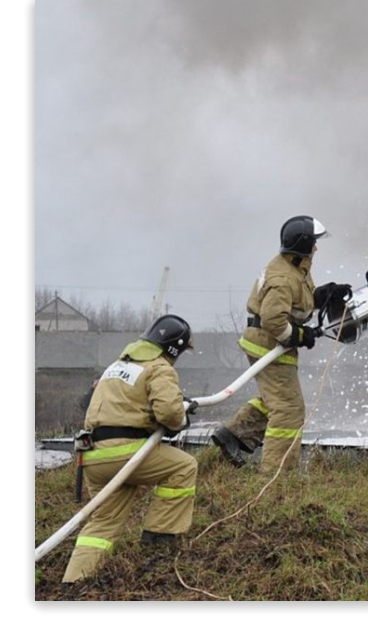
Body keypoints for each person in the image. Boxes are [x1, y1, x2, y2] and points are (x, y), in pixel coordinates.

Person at [62, 315, 198, 583]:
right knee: (184, 466)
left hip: (93, 456)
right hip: (126, 453)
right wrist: (181, 417)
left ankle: (74, 582)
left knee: (102, 522)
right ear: (173, 347)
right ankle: (159, 538)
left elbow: (125, 402)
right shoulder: (160, 367)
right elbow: (170, 415)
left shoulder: (115, 366)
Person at [212, 215, 347, 472]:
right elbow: (274, 320)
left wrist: (324, 294)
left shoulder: (293, 267)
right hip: (268, 344)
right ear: (304, 244)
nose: (316, 248)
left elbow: (298, 302)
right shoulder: (284, 277)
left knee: (275, 397)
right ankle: (277, 477)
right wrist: (298, 336)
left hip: (264, 342)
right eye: (314, 243)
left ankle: (234, 434)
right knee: (288, 410)